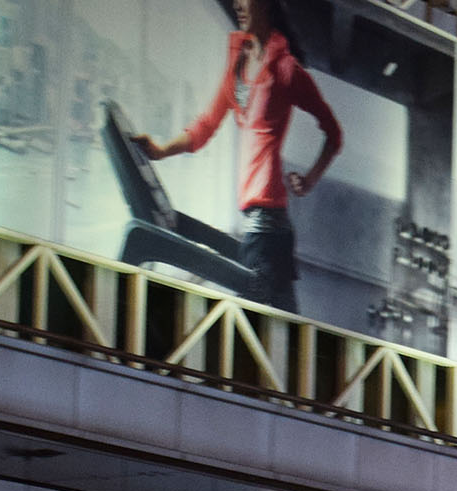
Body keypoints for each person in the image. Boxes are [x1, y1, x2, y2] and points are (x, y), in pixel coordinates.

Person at [132, 0, 344, 312]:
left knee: (260, 323)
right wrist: (163, 150)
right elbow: (205, 126)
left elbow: (333, 133)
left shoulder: (286, 70)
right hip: (262, 224)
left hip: (267, 225)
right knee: (281, 322)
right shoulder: (238, 62)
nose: (237, 5)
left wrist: (309, 179)